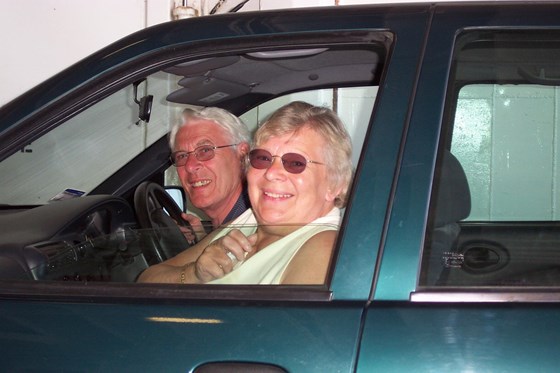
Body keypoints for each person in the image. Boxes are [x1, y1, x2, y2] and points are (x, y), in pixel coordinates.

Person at [138, 101, 353, 285]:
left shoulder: (323, 248)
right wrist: (195, 273)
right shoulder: (250, 221)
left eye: (295, 163)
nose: (271, 173)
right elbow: (146, 281)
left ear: (335, 184)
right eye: (263, 159)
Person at [169, 107, 251, 242]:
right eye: (182, 156)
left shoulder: (253, 233)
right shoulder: (234, 227)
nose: (189, 166)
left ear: (242, 155)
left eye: (205, 150)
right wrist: (201, 239)